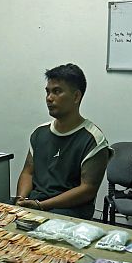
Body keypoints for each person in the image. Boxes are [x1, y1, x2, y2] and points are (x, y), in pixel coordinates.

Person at [15, 63, 110, 219]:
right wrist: (21, 200)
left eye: (57, 92)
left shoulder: (93, 139)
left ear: (76, 97)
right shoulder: (40, 133)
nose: (49, 98)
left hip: (69, 209)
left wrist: (42, 206)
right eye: (48, 92)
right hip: (35, 203)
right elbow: (28, 172)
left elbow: (88, 189)